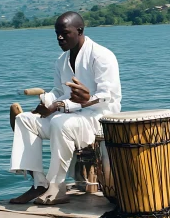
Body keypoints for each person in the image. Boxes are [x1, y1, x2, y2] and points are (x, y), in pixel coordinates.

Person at [9, 11, 121, 205]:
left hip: (98, 119)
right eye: (56, 33)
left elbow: (107, 96)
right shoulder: (61, 60)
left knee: (61, 122)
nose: (60, 37)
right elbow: (58, 90)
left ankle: (57, 187)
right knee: (25, 119)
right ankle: (39, 184)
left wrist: (65, 104)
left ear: (79, 30)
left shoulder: (102, 56)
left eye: (65, 33)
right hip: (71, 116)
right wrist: (46, 102)